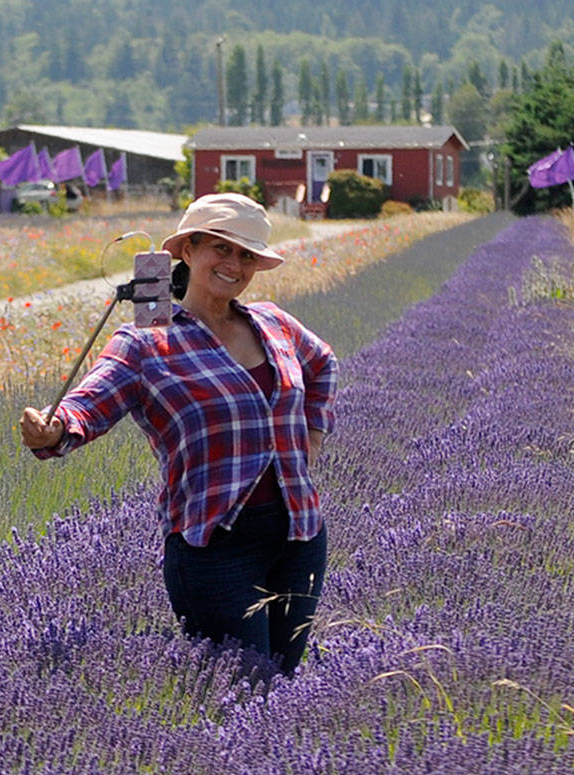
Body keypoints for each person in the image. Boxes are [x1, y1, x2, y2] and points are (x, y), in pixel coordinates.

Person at [19, 193, 337, 675]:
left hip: (300, 535)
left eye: (246, 255)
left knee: (285, 685)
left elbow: (323, 365)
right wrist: (54, 429)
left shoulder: (274, 324)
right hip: (215, 549)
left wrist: (313, 433)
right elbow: (91, 402)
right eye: (221, 248)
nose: (234, 264)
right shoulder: (148, 343)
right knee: (244, 692)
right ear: (188, 250)